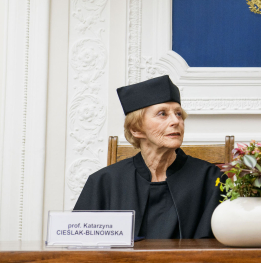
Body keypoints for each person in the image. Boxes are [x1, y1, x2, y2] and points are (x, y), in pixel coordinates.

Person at [74, 75, 226, 239]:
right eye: (162, 114)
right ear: (136, 129)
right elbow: (79, 243)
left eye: (178, 114)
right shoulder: (104, 182)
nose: (176, 121)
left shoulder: (212, 179)